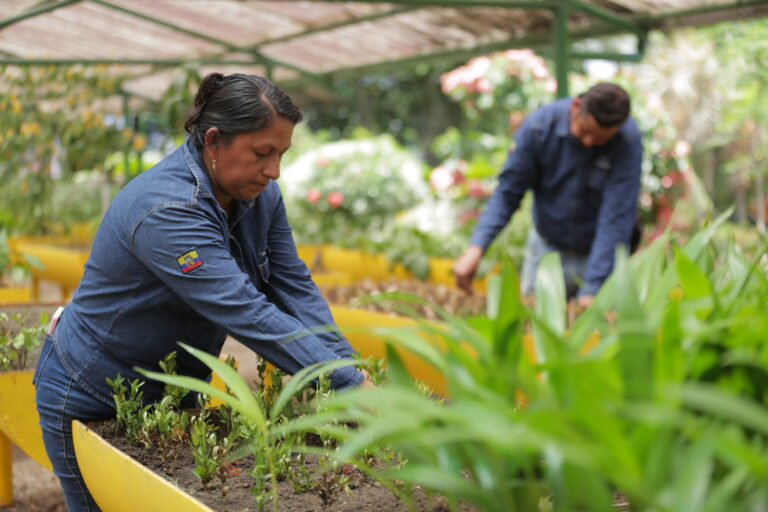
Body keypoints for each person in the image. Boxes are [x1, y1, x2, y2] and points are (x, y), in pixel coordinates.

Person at [34, 73, 371, 511]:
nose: (274, 171)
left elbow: (293, 287)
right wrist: (346, 380)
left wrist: (348, 372)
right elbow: (245, 311)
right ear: (213, 141)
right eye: (262, 153)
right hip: (93, 391)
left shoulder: (261, 195)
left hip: (178, 391)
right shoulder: (168, 209)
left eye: (282, 154)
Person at [452, 82, 643, 306]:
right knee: (532, 325)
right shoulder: (538, 128)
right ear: (576, 106)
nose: (589, 142)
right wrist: (476, 248)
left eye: (601, 140)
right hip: (547, 249)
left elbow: (616, 216)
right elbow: (508, 194)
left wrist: (593, 287)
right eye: (585, 132)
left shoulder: (627, 140)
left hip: (600, 253)